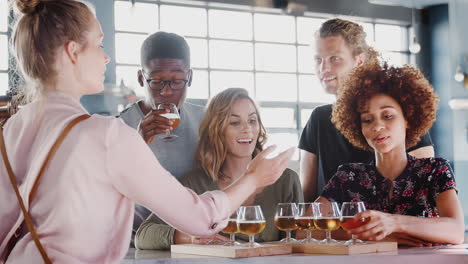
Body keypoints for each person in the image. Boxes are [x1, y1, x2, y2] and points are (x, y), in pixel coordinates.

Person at [0, 1, 294, 263]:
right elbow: (199, 219)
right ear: (73, 52)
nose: (106, 58)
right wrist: (254, 178)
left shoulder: (12, 129)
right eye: (99, 45)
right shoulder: (107, 134)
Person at [135, 88, 304, 249]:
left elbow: (301, 243)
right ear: (216, 130)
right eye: (235, 122)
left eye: (252, 121)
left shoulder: (286, 180)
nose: (247, 129)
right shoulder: (194, 183)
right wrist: (191, 238)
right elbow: (143, 235)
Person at [316, 63, 464, 246]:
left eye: (387, 116)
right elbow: (303, 232)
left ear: (408, 119)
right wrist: (377, 236)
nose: (377, 127)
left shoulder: (434, 171)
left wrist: (393, 223)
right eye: (367, 120)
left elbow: (456, 231)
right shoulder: (347, 176)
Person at [299, 18, 434, 202]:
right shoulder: (319, 119)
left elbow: (424, 197)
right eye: (318, 59)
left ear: (359, 60)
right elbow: (306, 199)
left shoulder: (399, 114)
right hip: (330, 229)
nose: (324, 68)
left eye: (334, 58)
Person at [117, 31, 204, 244]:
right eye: (156, 81)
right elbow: (106, 194)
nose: (166, 92)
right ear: (140, 78)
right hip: (138, 243)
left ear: (190, 77)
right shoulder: (118, 127)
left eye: (176, 81)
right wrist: (136, 145)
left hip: (194, 239)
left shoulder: (206, 120)